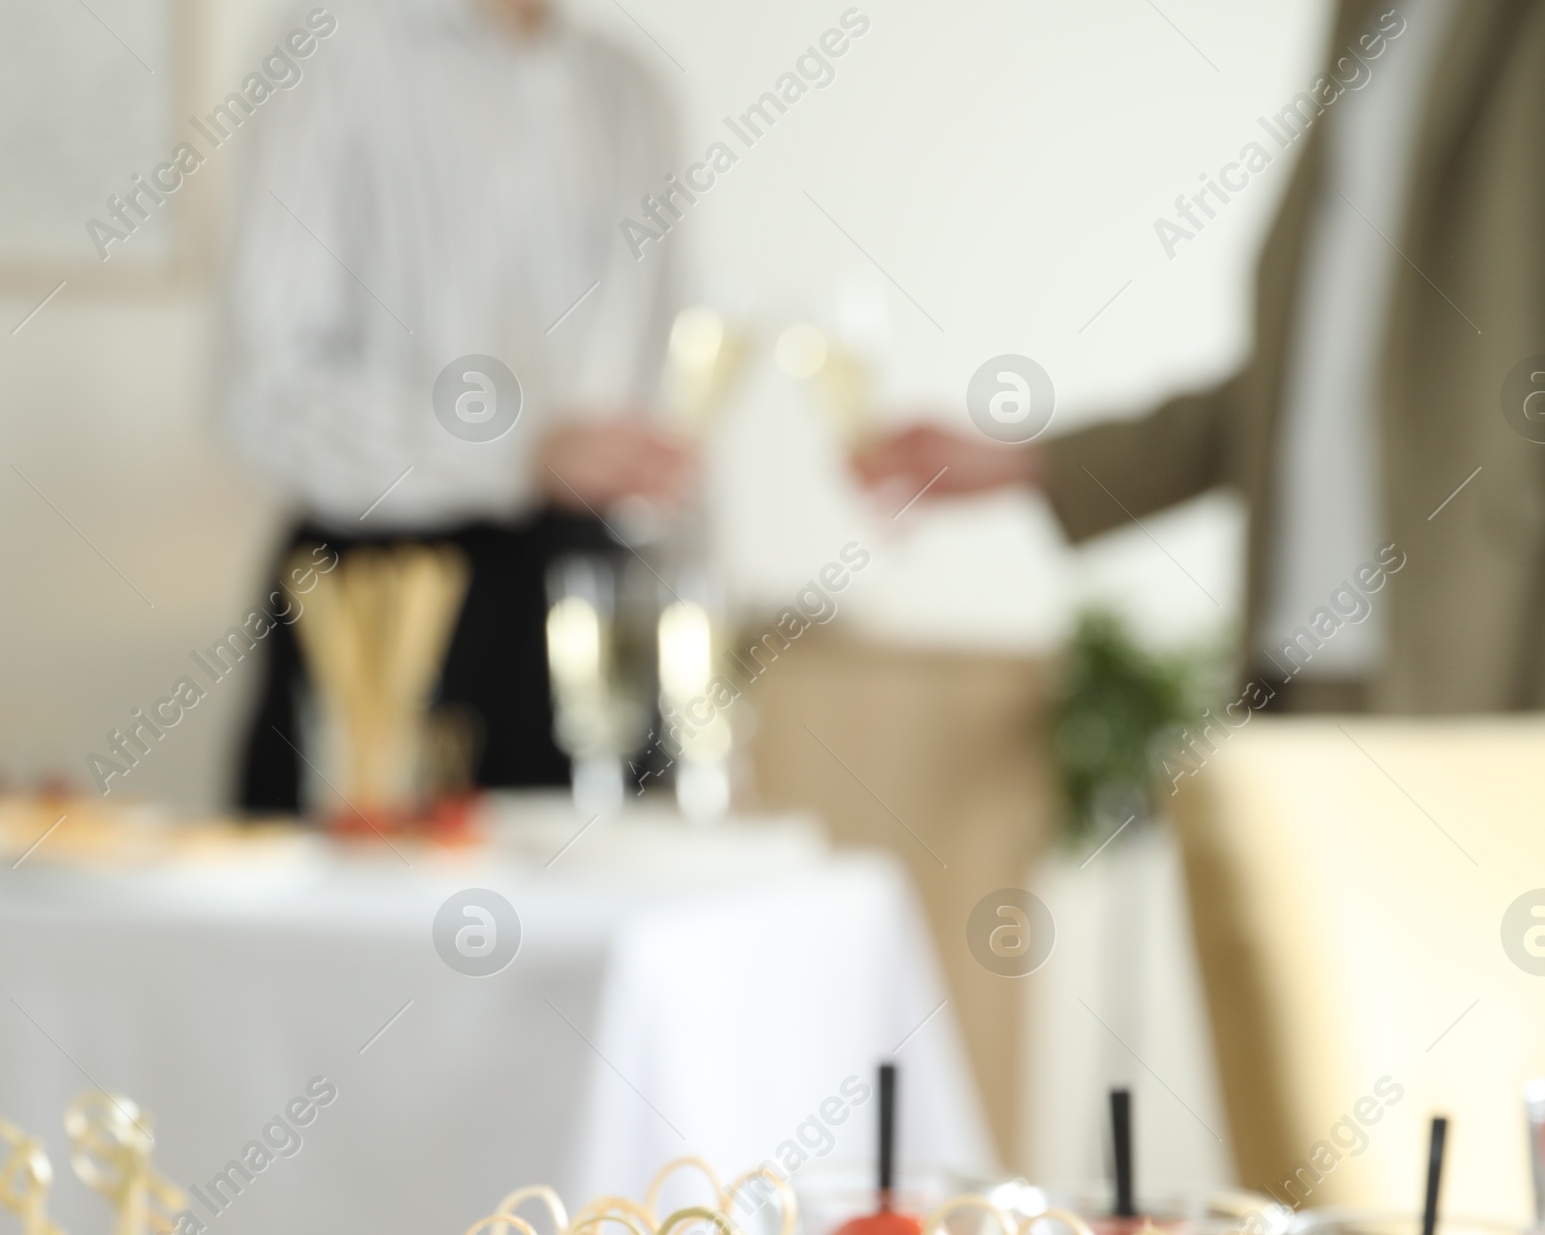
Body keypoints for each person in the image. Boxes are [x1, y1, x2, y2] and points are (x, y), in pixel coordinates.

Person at [853, 0, 1545, 715]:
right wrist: (1031, 461)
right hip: (1301, 654)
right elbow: (1302, 390)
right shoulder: (1364, 20)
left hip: (1479, 655)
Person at [220, 0, 692, 812]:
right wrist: (517, 453)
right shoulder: (334, 49)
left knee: (609, 915)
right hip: (380, 595)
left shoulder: (634, 89)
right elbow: (261, 393)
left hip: (593, 597)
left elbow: (666, 406)